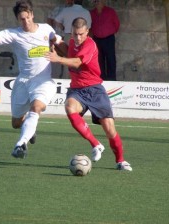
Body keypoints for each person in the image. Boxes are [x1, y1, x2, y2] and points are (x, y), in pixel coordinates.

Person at [0, 0, 63, 159]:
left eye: (28, 17)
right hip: (23, 82)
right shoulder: (13, 34)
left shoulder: (46, 29)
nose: (26, 21)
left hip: (43, 81)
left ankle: (21, 145)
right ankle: (29, 130)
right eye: (22, 19)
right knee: (16, 123)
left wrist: (69, 56)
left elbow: (60, 43)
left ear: (32, 15)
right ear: (18, 19)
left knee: (36, 108)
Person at [45, 17, 132, 171]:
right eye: (74, 34)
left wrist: (58, 59)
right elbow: (67, 51)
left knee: (109, 128)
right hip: (77, 90)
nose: (77, 38)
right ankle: (96, 144)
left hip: (95, 89)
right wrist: (55, 44)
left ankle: (121, 161)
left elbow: (77, 62)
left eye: (80, 34)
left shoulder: (90, 44)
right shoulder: (72, 42)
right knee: (69, 107)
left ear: (87, 32)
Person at [54, 0, 91, 79]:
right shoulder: (86, 12)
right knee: (80, 60)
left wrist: (63, 27)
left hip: (68, 36)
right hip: (82, 37)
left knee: (68, 59)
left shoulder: (66, 10)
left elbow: (56, 20)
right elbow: (89, 26)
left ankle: (65, 79)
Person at [90, 0, 120, 81]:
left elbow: (116, 24)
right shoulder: (92, 13)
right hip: (97, 39)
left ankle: (112, 79)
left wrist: (110, 32)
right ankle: (101, 79)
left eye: (99, 1)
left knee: (111, 59)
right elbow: (90, 26)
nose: (97, 3)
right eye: (95, 1)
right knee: (99, 60)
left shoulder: (110, 11)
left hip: (108, 39)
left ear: (103, 2)